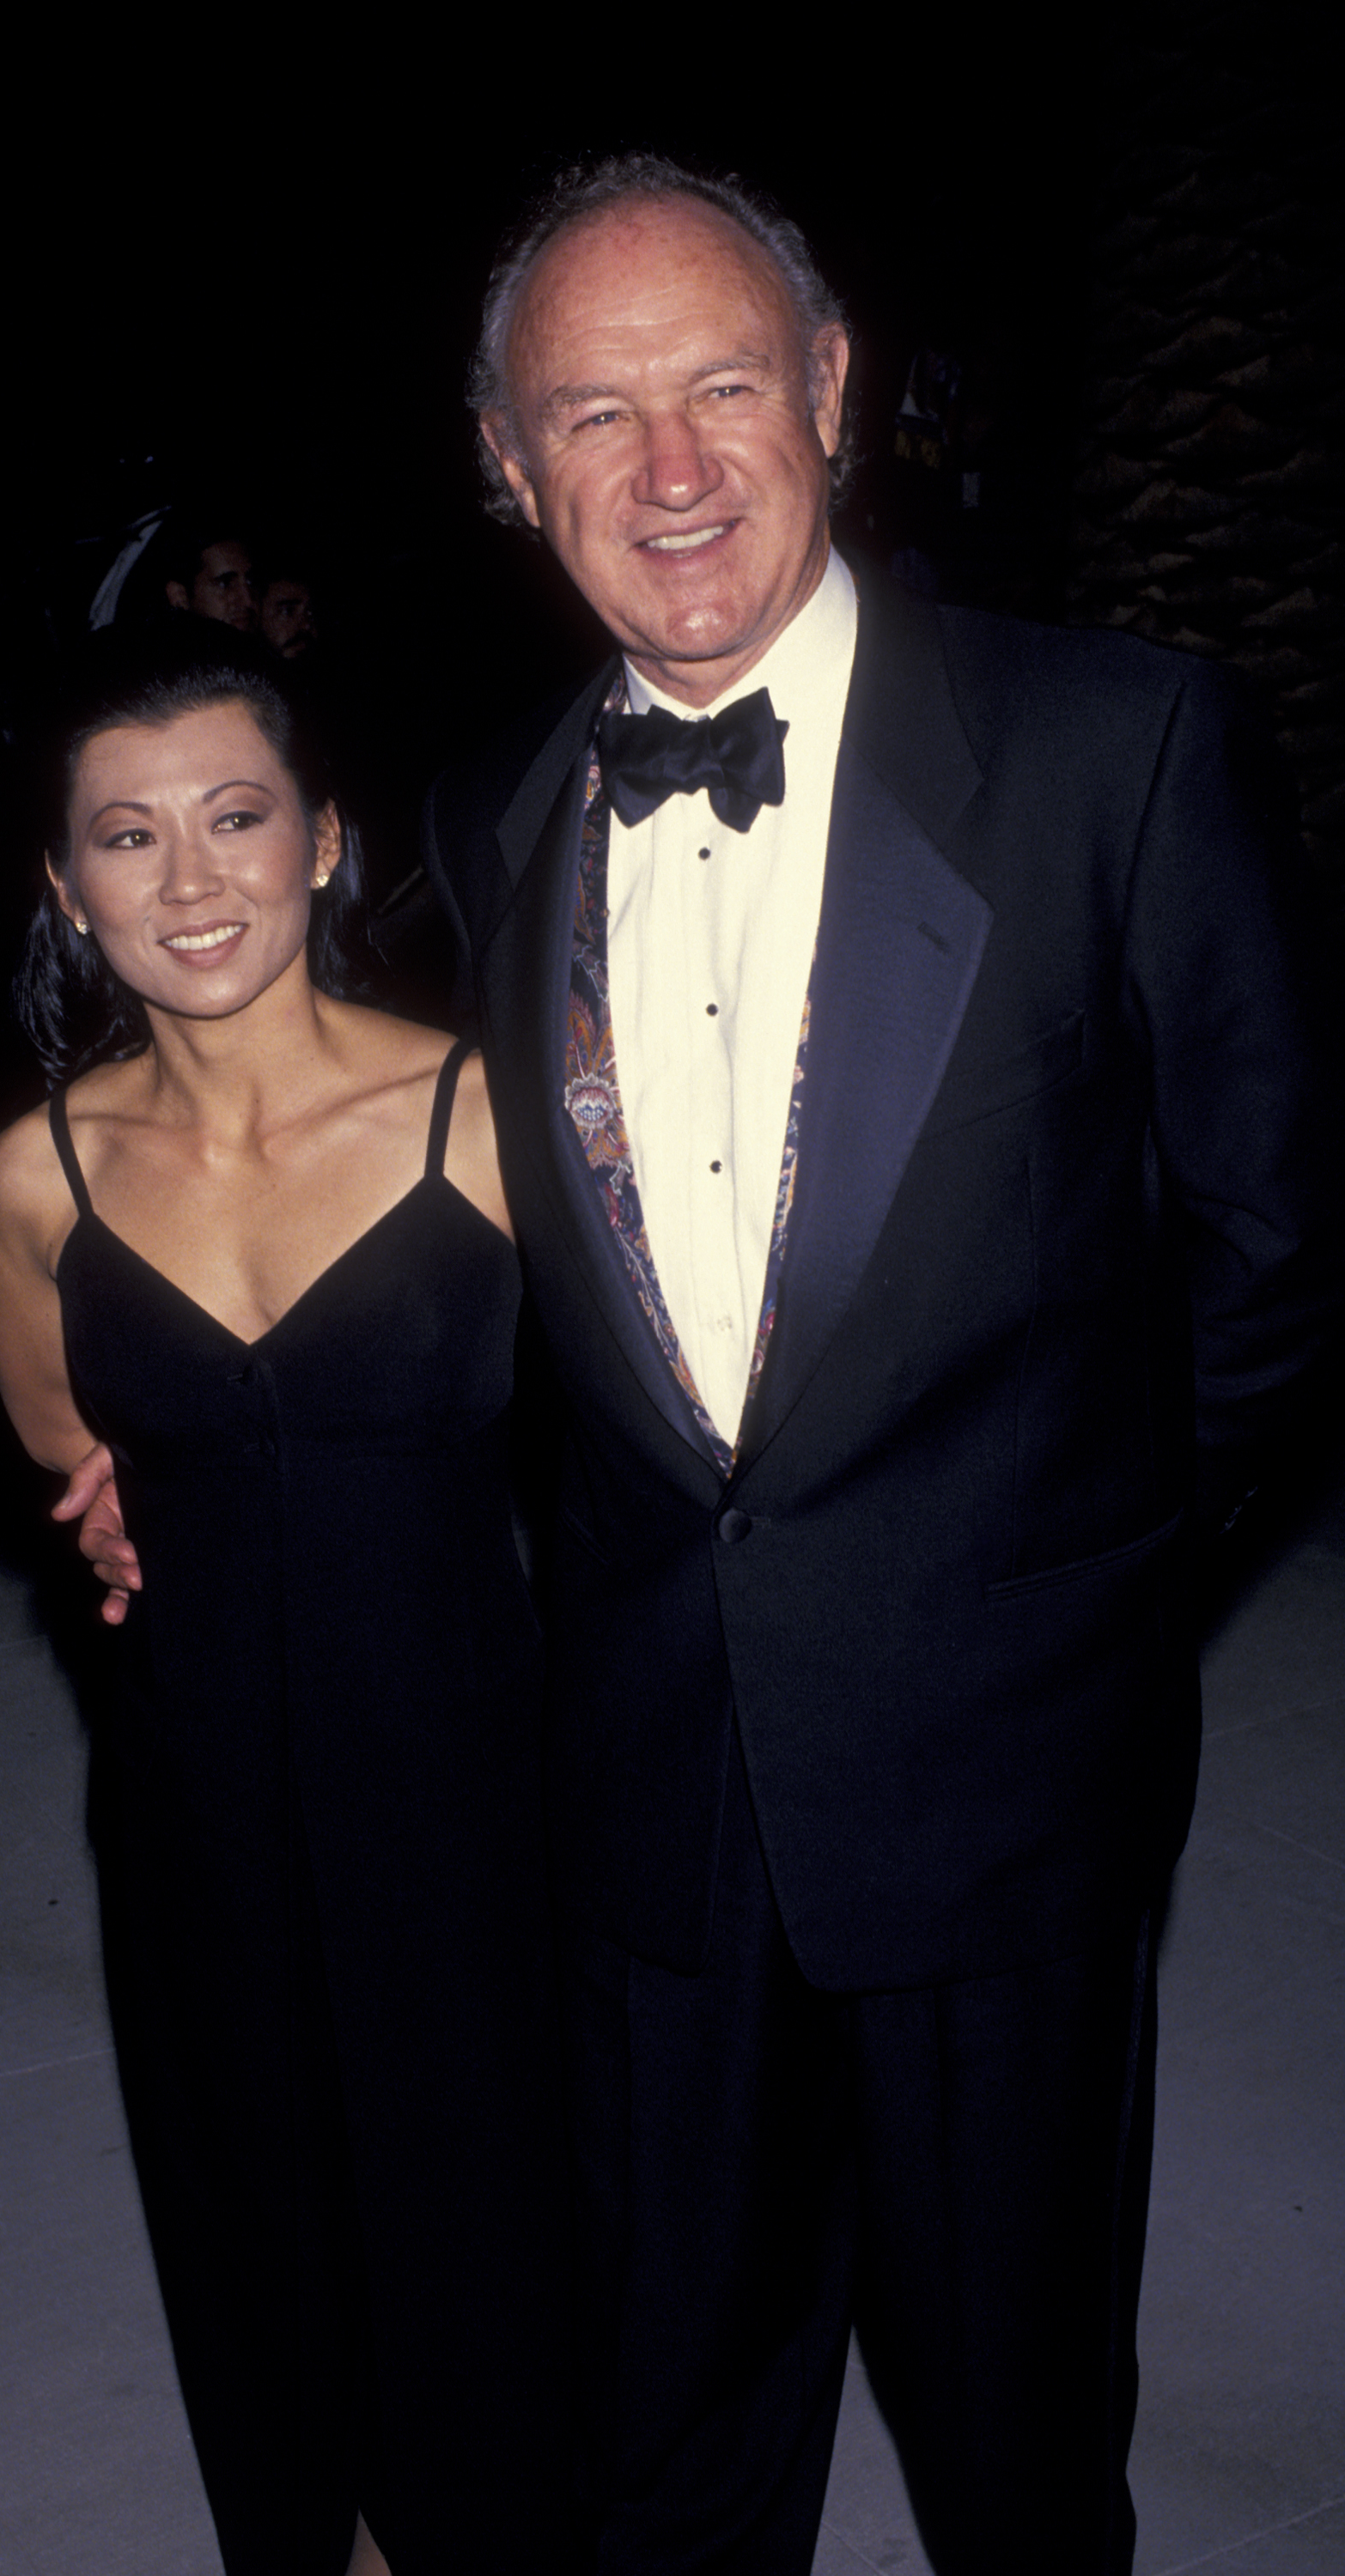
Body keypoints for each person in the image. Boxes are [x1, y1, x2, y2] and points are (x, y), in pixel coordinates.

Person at [411, 155, 1330, 2574]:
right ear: (502, 464)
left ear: (833, 391)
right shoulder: (489, 812)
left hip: (997, 1758)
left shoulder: (1110, 745)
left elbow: (1274, 1237)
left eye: (721, 384)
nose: (670, 469)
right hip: (639, 1785)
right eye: (589, 416)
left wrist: (1075, 1567)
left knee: (1011, 2438)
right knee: (670, 2431)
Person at [0, 625, 580, 2576]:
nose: (192, 879)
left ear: (321, 839)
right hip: (194, 1806)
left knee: (484, 2234)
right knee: (260, 2221)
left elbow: (662, 1458)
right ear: (67, 887)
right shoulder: (35, 1182)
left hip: (472, 1795)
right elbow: (71, 1463)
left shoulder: (495, 1117)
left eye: (234, 817)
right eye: (129, 839)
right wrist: (116, 1524)